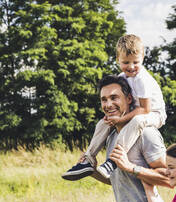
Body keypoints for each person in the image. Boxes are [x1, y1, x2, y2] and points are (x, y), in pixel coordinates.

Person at [62, 34, 166, 181]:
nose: (131, 67)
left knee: (138, 121)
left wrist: (121, 119)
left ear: (143, 57)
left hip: (154, 114)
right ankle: (88, 160)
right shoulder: (122, 77)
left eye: (136, 62)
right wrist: (113, 117)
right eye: (125, 62)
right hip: (136, 112)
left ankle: (113, 161)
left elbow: (145, 109)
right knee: (104, 122)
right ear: (117, 59)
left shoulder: (142, 79)